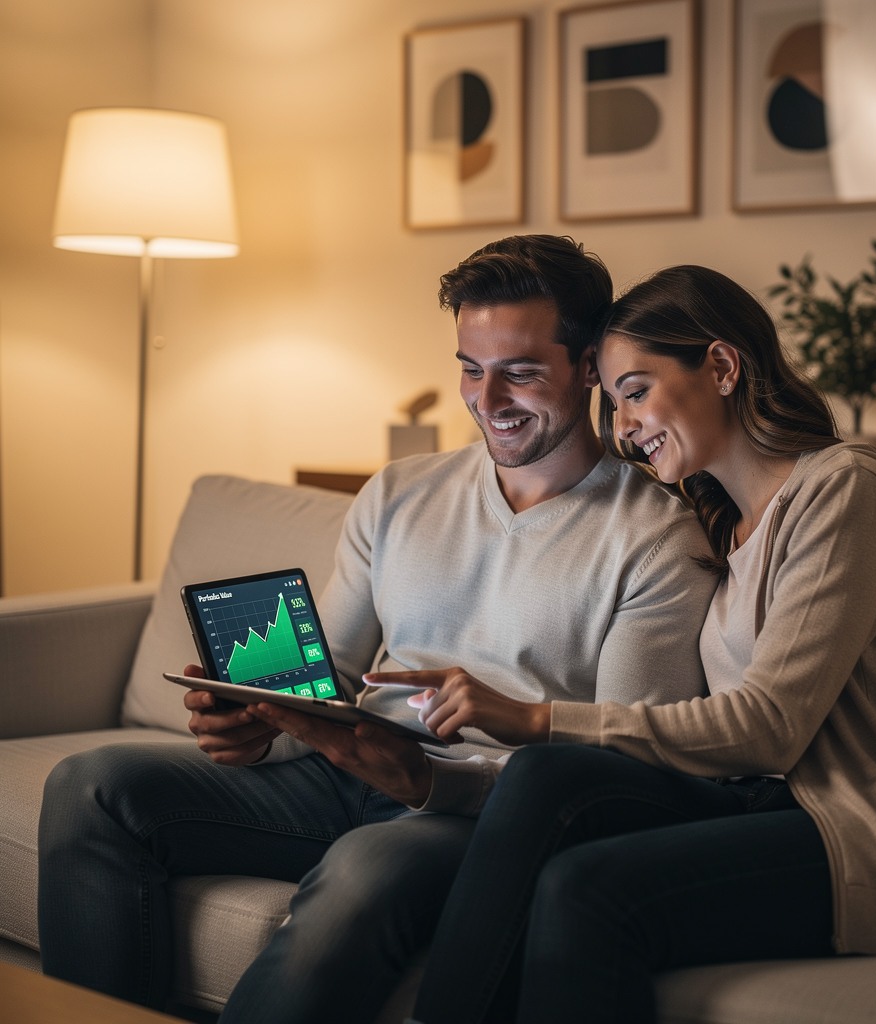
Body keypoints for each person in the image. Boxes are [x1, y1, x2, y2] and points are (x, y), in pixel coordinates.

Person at [36, 237, 717, 1024]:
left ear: (590, 365)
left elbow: (618, 773)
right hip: (342, 774)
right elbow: (329, 675)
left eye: (521, 372)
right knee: (91, 786)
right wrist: (262, 726)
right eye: (470, 368)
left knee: (366, 867)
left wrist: (429, 782)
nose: (488, 398)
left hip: (486, 814)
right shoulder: (399, 494)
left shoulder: (655, 538)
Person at [373, 264, 876, 1024]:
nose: (623, 427)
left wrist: (535, 717)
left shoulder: (844, 488)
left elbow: (770, 726)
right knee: (545, 779)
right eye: (612, 400)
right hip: (749, 803)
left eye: (636, 391)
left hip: (860, 836)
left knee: (583, 879)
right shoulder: (717, 522)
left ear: (721, 367)